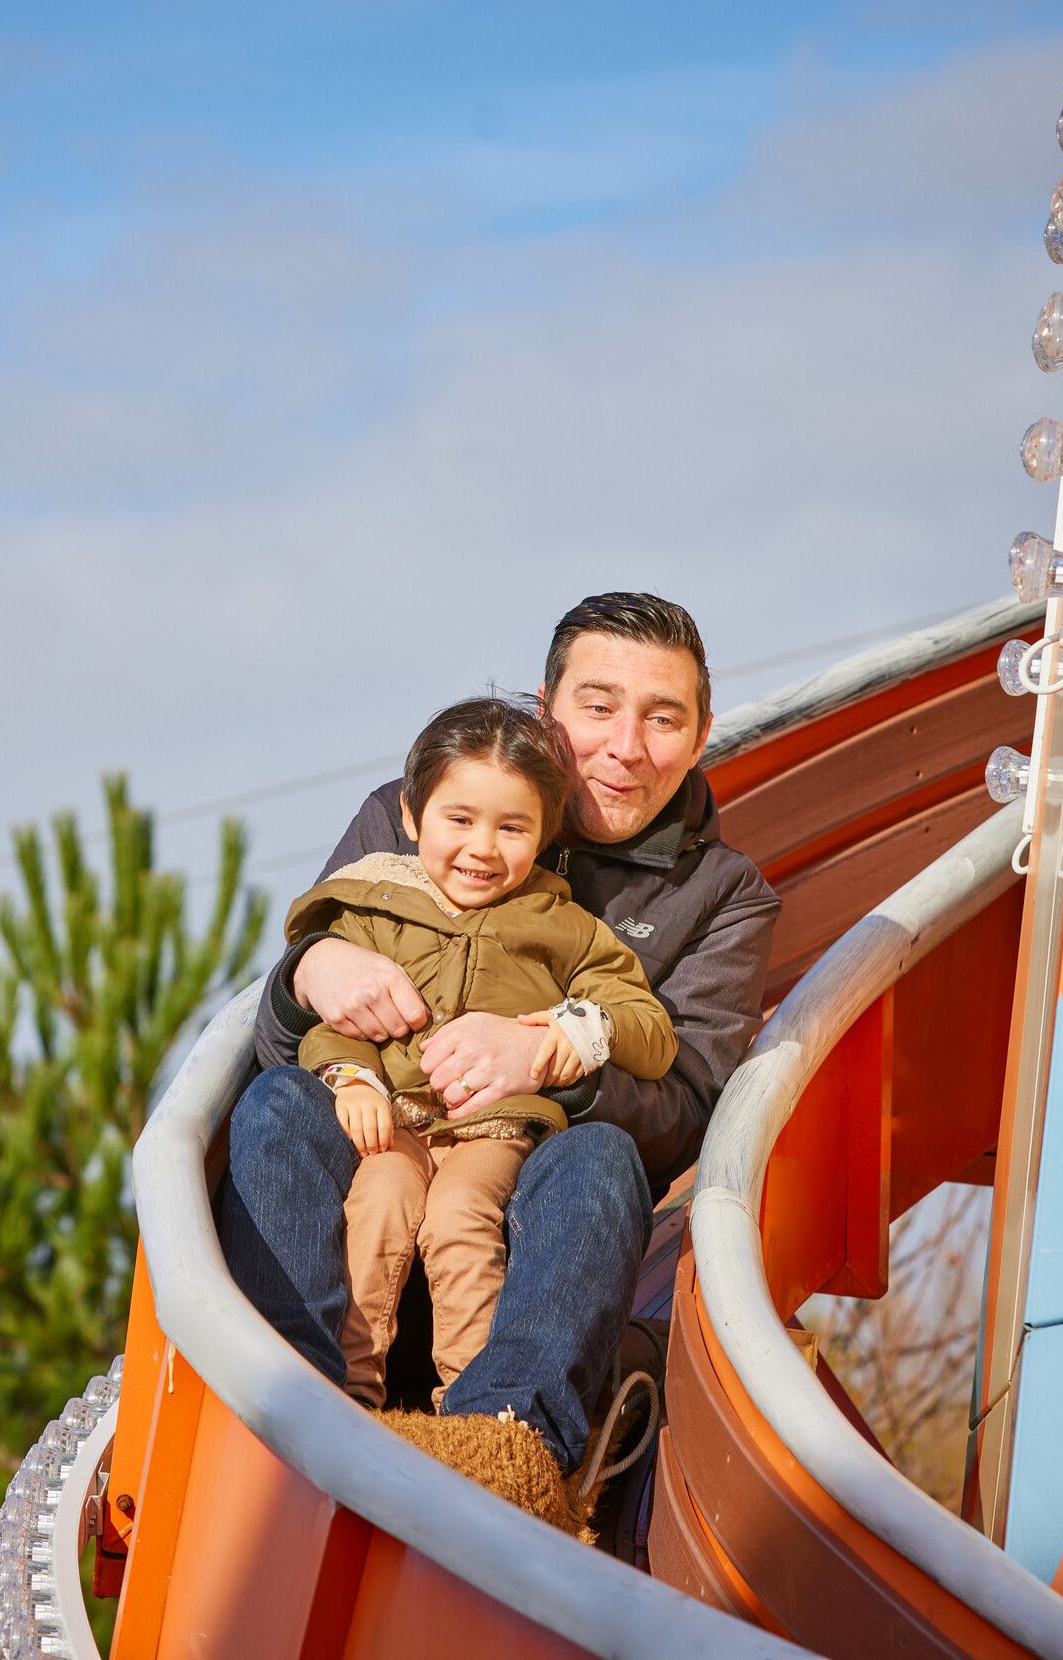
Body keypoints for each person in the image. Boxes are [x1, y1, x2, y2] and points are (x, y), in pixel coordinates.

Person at [217, 591, 782, 1517]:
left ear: (702, 732)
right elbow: (282, 1037)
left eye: (662, 717)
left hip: (526, 1175)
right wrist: (312, 969)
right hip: (384, 1140)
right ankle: (288, 1400)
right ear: (547, 707)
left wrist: (547, 1056)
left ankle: (505, 1441)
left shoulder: (722, 896)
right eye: (597, 706)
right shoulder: (422, 813)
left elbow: (684, 1110)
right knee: (278, 1107)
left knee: (600, 1157)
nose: (625, 745)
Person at [288, 696, 677, 1413]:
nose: (481, 847)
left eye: (512, 827)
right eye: (459, 820)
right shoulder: (372, 910)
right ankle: (350, 1394)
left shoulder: (562, 926)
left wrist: (568, 1034)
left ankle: (474, 1411)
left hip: (490, 1128)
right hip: (394, 1121)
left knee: (460, 1216)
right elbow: (335, 1021)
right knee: (377, 1202)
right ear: (412, 817)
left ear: (545, 833)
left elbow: (647, 1030)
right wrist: (349, 1079)